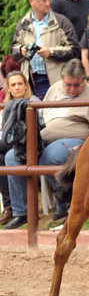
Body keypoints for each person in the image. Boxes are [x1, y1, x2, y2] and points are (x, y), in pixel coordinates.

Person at [4, 60, 89, 228]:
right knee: (12, 156)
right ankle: (22, 212)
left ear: (83, 80)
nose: (71, 89)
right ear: (62, 79)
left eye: (76, 85)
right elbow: (41, 113)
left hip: (74, 140)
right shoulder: (55, 88)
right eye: (67, 84)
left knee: (51, 155)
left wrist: (86, 145)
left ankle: (66, 204)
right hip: (43, 136)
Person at [11, 0, 80, 100]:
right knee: (33, 116)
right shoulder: (23, 23)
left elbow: (75, 50)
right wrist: (22, 51)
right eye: (43, 1)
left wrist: (51, 52)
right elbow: (13, 50)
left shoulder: (62, 21)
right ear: (31, 2)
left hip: (56, 79)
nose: (48, 3)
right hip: (30, 81)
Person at [0, 72, 41, 225]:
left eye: (20, 84)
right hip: (10, 143)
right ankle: (10, 206)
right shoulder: (6, 104)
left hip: (28, 143)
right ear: (8, 88)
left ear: (25, 85)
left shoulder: (32, 101)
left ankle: (18, 209)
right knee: (1, 159)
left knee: (8, 155)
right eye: (13, 85)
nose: (17, 87)